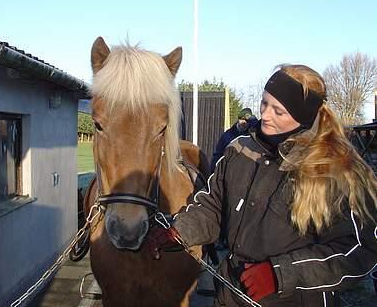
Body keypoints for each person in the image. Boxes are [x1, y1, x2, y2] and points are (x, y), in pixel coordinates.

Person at [147, 64, 377, 306]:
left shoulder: (334, 169)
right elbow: (213, 207)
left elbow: (359, 250)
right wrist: (180, 231)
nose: (265, 115)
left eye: (279, 111)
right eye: (265, 103)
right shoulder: (239, 149)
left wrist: (280, 274)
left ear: (303, 117)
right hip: (230, 296)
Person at [211, 108, 258, 173]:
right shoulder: (227, 135)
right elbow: (218, 155)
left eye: (246, 120)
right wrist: (213, 172)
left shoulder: (251, 135)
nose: (242, 122)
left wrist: (253, 120)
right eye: (241, 119)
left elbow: (259, 129)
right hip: (228, 172)